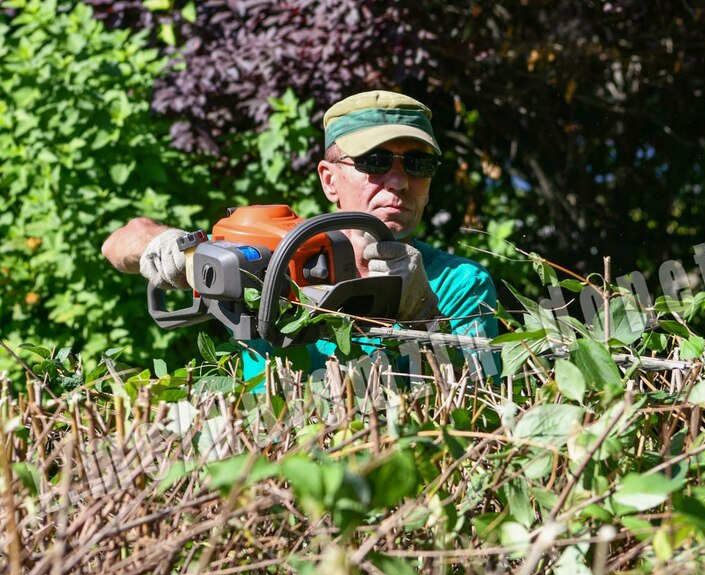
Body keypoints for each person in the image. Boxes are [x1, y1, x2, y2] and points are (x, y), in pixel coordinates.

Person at [102, 90, 498, 383]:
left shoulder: (460, 283)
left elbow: (482, 398)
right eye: (374, 162)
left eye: (418, 163)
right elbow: (122, 240)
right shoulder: (275, 253)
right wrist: (165, 247)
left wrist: (425, 316)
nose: (398, 181)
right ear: (329, 179)